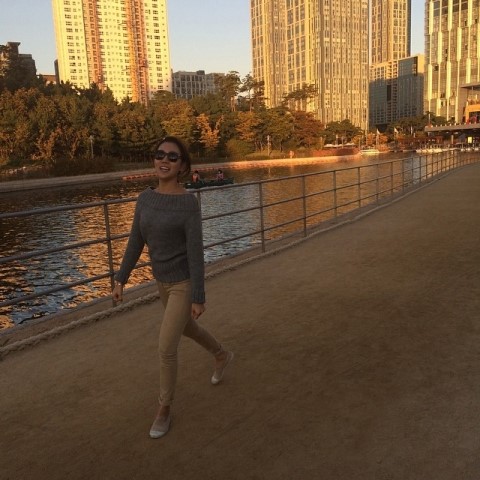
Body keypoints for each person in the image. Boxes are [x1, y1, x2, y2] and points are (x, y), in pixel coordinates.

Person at [112, 136, 234, 439]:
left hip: (183, 283)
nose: (164, 160)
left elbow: (195, 252)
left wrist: (198, 296)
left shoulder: (188, 204)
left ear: (183, 166)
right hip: (162, 281)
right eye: (160, 154)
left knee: (166, 347)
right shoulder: (145, 199)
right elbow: (136, 241)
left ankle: (164, 409)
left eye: (172, 157)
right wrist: (121, 278)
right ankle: (221, 354)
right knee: (187, 328)